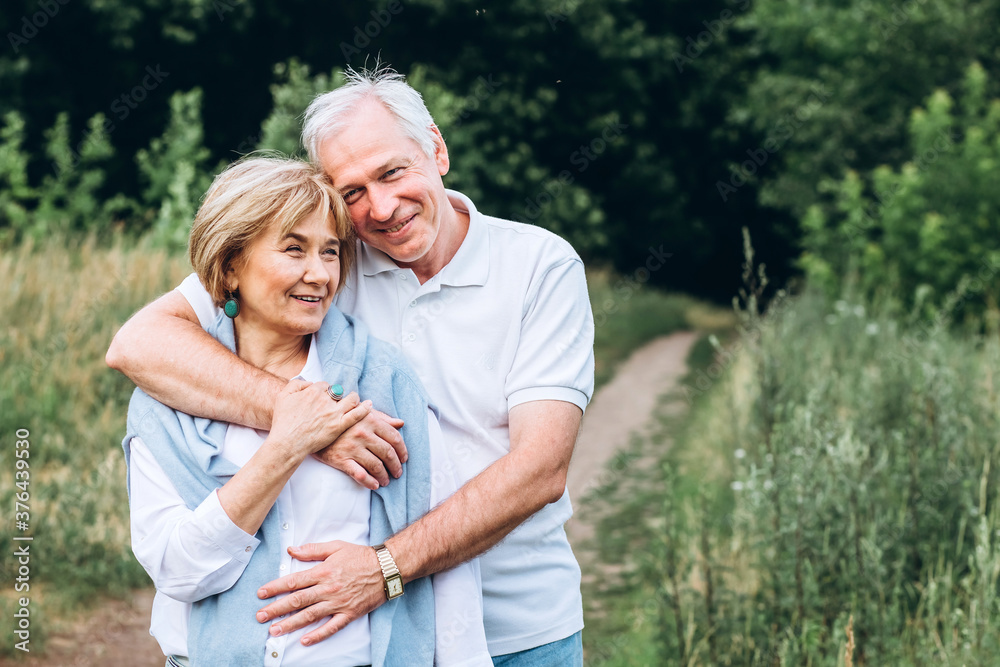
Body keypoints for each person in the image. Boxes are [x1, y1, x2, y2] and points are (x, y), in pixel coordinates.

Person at [107, 67, 595, 666]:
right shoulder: (324, 257)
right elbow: (139, 343)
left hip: (517, 623)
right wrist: (312, 423)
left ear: (436, 149)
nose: (382, 207)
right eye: (352, 192)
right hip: (372, 634)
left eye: (392, 172)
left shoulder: (539, 266)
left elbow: (540, 467)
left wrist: (385, 569)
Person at [122, 156, 491, 666]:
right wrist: (289, 442)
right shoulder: (167, 396)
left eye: (331, 252)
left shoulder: (384, 381)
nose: (318, 274)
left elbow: (448, 576)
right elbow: (179, 572)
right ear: (230, 265)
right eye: (294, 249)